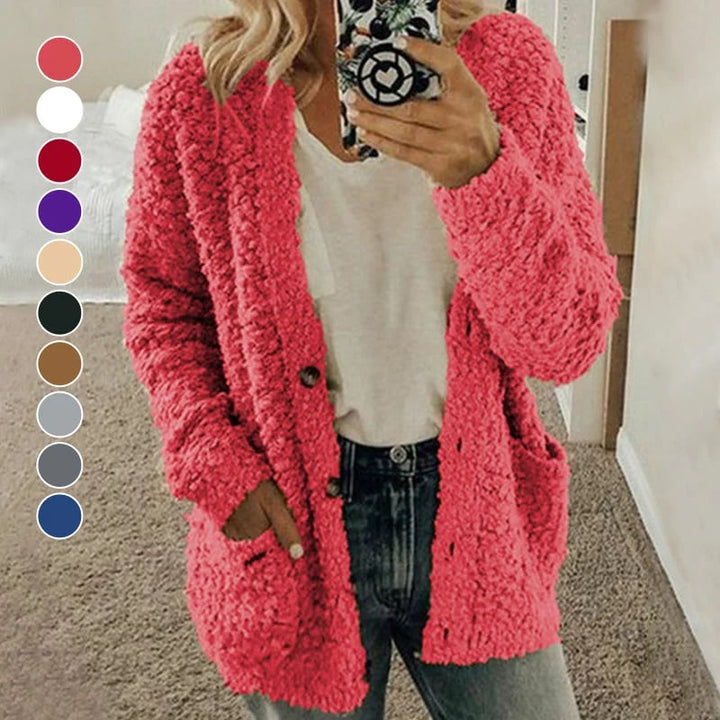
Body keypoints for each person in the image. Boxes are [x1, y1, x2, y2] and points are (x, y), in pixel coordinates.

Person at [121, 0, 624, 718]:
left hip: (477, 510)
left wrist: (484, 168)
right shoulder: (204, 94)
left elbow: (567, 342)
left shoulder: (511, 67)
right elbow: (163, 303)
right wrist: (213, 461)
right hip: (292, 523)